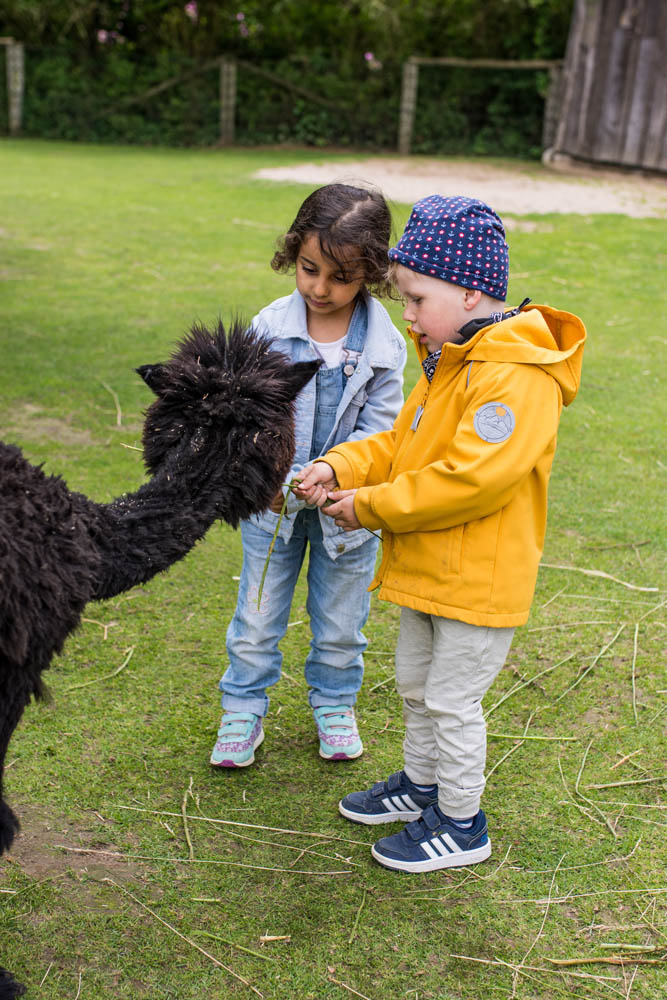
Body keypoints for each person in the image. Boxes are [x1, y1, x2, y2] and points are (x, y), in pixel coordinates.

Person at [295, 194, 586, 872]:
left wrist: (369, 506)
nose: (408, 313)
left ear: (469, 290)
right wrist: (339, 464)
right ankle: (421, 788)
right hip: (431, 567)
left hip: (476, 578)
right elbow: (402, 443)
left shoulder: (513, 378)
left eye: (416, 297)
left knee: (452, 702)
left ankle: (460, 823)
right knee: (415, 687)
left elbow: (469, 480)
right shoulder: (449, 355)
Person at [210, 183, 407, 769]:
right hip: (270, 504)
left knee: (344, 619)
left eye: (340, 277)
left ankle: (335, 704)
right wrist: (260, 474)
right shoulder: (268, 327)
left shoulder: (384, 346)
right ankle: (242, 707)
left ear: (370, 275)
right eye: (308, 269)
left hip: (346, 508)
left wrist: (337, 479)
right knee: (257, 613)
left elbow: (382, 433)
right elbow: (242, 413)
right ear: (293, 254)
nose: (320, 289)